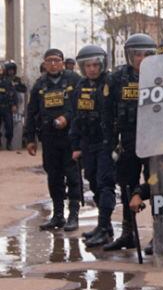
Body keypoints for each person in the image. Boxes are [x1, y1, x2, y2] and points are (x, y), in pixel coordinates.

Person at [103, 32, 157, 251]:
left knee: (155, 184)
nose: (141, 59)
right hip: (127, 140)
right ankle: (128, 233)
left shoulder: (160, 76)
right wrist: (110, 144)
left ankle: (158, 233)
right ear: (129, 56)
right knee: (126, 185)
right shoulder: (117, 78)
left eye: (146, 54)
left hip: (154, 140)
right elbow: (107, 113)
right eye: (136, 54)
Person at [25, 48, 82, 231]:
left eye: (57, 60)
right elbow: (31, 112)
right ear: (44, 63)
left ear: (62, 63)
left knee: (72, 176)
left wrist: (67, 118)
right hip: (49, 139)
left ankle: (73, 215)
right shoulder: (40, 84)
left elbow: (81, 106)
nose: (53, 64)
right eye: (49, 60)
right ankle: (58, 215)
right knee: (54, 176)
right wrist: (30, 138)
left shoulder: (74, 80)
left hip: (70, 138)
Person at [69, 44, 116, 247]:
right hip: (88, 143)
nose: (92, 69)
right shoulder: (80, 86)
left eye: (95, 65)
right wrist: (75, 145)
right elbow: (76, 116)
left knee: (105, 184)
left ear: (102, 65)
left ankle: (104, 228)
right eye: (87, 66)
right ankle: (104, 225)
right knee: (93, 182)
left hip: (106, 142)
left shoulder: (111, 83)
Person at [0, 64, 20, 150]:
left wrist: (14, 104)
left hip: (7, 107)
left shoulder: (9, 81)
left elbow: (14, 94)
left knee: (9, 127)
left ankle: (9, 143)